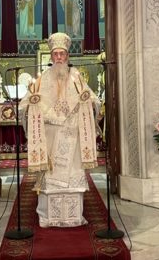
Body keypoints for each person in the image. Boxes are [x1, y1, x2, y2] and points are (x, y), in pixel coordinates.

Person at [20, 32, 100, 227]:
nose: (58, 58)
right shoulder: (42, 79)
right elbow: (24, 104)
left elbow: (94, 100)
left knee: (72, 175)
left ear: (67, 56)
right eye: (55, 54)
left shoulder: (77, 77)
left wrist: (88, 104)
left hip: (72, 137)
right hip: (50, 137)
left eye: (62, 54)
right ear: (51, 56)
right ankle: (47, 216)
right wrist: (32, 107)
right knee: (50, 176)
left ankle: (74, 216)